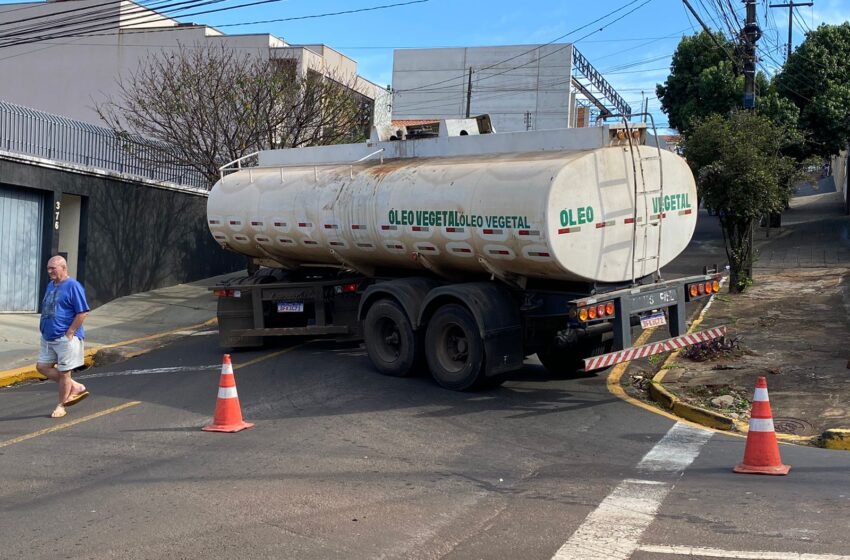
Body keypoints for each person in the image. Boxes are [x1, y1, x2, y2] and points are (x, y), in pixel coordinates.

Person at [36, 255, 91, 418]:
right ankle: (76, 387)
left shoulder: (73, 286)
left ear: (63, 267)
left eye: (53, 268)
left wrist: (71, 332)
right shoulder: (51, 286)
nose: (50, 271)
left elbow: (82, 312)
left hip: (65, 338)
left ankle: (61, 406)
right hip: (48, 338)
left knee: (64, 372)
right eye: (48, 268)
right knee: (42, 367)